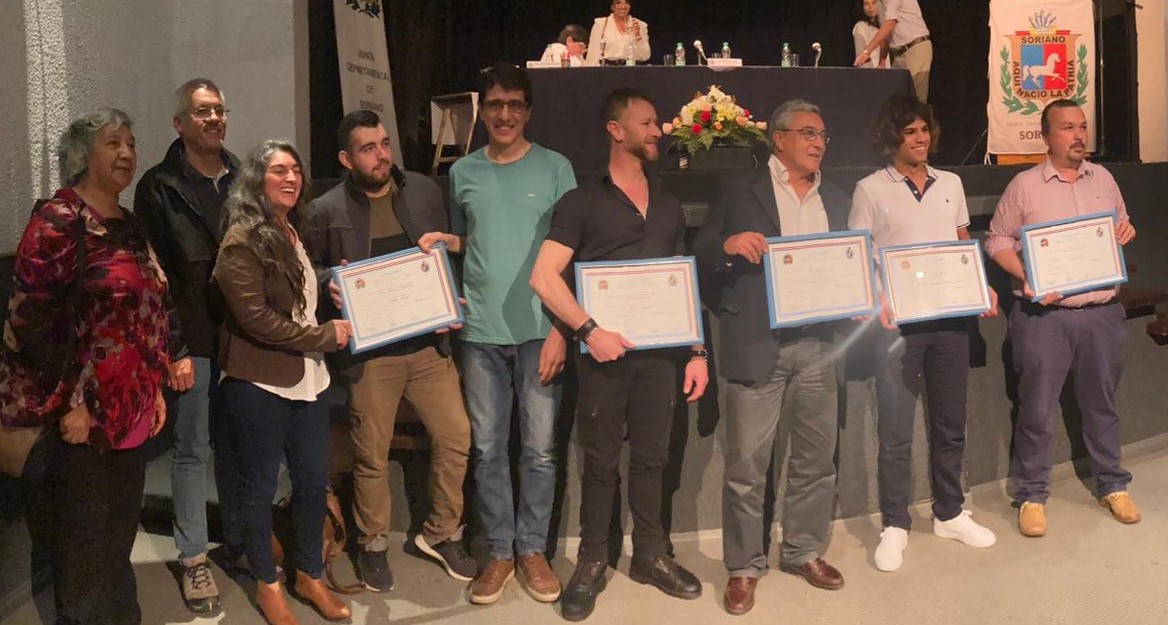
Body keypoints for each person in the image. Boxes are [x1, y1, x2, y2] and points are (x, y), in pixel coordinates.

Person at [530, 87, 709, 622]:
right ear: (616, 130)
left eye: (658, 123)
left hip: (661, 359)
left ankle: (651, 556)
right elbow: (544, 277)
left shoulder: (669, 203)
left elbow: (682, 282)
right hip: (603, 359)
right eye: (647, 123)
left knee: (654, 459)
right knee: (601, 463)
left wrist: (697, 350)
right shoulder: (581, 201)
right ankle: (591, 562)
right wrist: (588, 331)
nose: (659, 131)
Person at [0, 108, 174, 625]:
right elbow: (30, 323)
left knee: (118, 534)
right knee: (81, 546)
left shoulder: (130, 225)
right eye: (113, 143)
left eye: (131, 143)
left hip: (131, 408)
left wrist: (154, 386)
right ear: (83, 154)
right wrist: (71, 403)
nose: (127, 153)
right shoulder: (58, 221)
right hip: (80, 418)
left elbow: (148, 311)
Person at [418, 63, 576, 606]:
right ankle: (500, 552)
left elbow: (571, 253)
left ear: (528, 111)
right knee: (487, 451)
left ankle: (532, 550)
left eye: (514, 104)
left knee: (539, 451)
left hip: (540, 331)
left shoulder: (556, 168)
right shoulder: (464, 172)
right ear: (481, 111)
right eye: (494, 105)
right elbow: (476, 240)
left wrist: (562, 329)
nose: (504, 114)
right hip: (481, 334)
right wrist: (449, 244)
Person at [307, 110, 477, 590]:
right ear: (346, 159)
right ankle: (373, 543)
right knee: (371, 454)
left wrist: (451, 297)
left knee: (456, 436)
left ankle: (440, 533)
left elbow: (442, 258)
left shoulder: (423, 190)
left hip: (429, 348)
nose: (382, 155)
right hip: (370, 355)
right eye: (368, 148)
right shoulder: (325, 209)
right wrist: (328, 282)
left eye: (384, 143)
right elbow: (307, 268)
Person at [693, 100, 848, 615]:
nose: (818, 143)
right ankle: (743, 566)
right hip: (757, 342)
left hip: (820, 344)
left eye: (823, 135)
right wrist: (729, 244)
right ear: (779, 139)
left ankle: (803, 551)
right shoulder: (740, 189)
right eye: (808, 133)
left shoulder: (836, 197)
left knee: (816, 460)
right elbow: (702, 251)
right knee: (746, 467)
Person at [849, 94, 998, 573]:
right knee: (895, 431)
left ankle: (950, 512)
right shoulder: (869, 189)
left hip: (951, 322)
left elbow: (961, 244)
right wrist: (878, 298)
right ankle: (895, 523)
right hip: (899, 329)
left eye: (925, 130)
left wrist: (981, 286)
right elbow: (860, 255)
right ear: (890, 138)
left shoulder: (951, 182)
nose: (920, 139)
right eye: (910, 131)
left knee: (950, 425)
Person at [985, 99, 1140, 538]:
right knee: (1035, 409)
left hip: (1101, 313)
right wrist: (1027, 275)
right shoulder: (1024, 186)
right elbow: (996, 240)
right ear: (1046, 135)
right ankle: (1032, 495)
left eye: (1083, 127)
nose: (1079, 136)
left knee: (1102, 405)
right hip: (1045, 317)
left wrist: (1126, 230)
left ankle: (1112, 484)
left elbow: (1122, 224)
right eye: (1068, 127)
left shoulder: (1104, 178)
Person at [213, 140, 353, 625]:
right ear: (256, 180)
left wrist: (330, 279)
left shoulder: (290, 230)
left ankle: (309, 574)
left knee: (313, 481)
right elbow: (255, 318)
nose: (291, 178)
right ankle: (268, 584)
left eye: (295, 169)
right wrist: (322, 336)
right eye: (278, 170)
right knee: (259, 487)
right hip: (259, 381)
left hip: (308, 378)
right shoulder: (240, 240)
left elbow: (298, 293)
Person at [134, 77, 241, 614]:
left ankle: (240, 541)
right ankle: (194, 557)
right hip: (192, 342)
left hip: (243, 339)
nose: (214, 118)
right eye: (202, 111)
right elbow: (155, 277)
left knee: (238, 443)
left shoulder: (242, 178)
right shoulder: (158, 187)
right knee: (193, 449)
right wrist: (174, 348)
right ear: (180, 123)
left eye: (219, 109)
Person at [853, 0, 931, 102]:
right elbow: (886, 35)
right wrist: (882, 62)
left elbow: (890, 24)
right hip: (898, 53)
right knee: (898, 99)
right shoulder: (881, 4)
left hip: (915, 48)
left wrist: (867, 51)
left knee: (915, 97)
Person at [585, 0, 650, 66]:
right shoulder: (600, 24)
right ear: (612, 6)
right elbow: (592, 54)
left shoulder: (639, 25)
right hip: (608, 69)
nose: (623, 6)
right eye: (618, 3)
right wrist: (590, 71)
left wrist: (638, 36)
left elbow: (645, 56)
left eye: (627, 3)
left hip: (632, 69)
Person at [852, 0, 890, 69]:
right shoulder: (860, 27)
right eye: (866, 4)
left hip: (887, 69)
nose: (870, 7)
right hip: (872, 70)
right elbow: (860, 55)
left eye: (874, 3)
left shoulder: (885, 26)